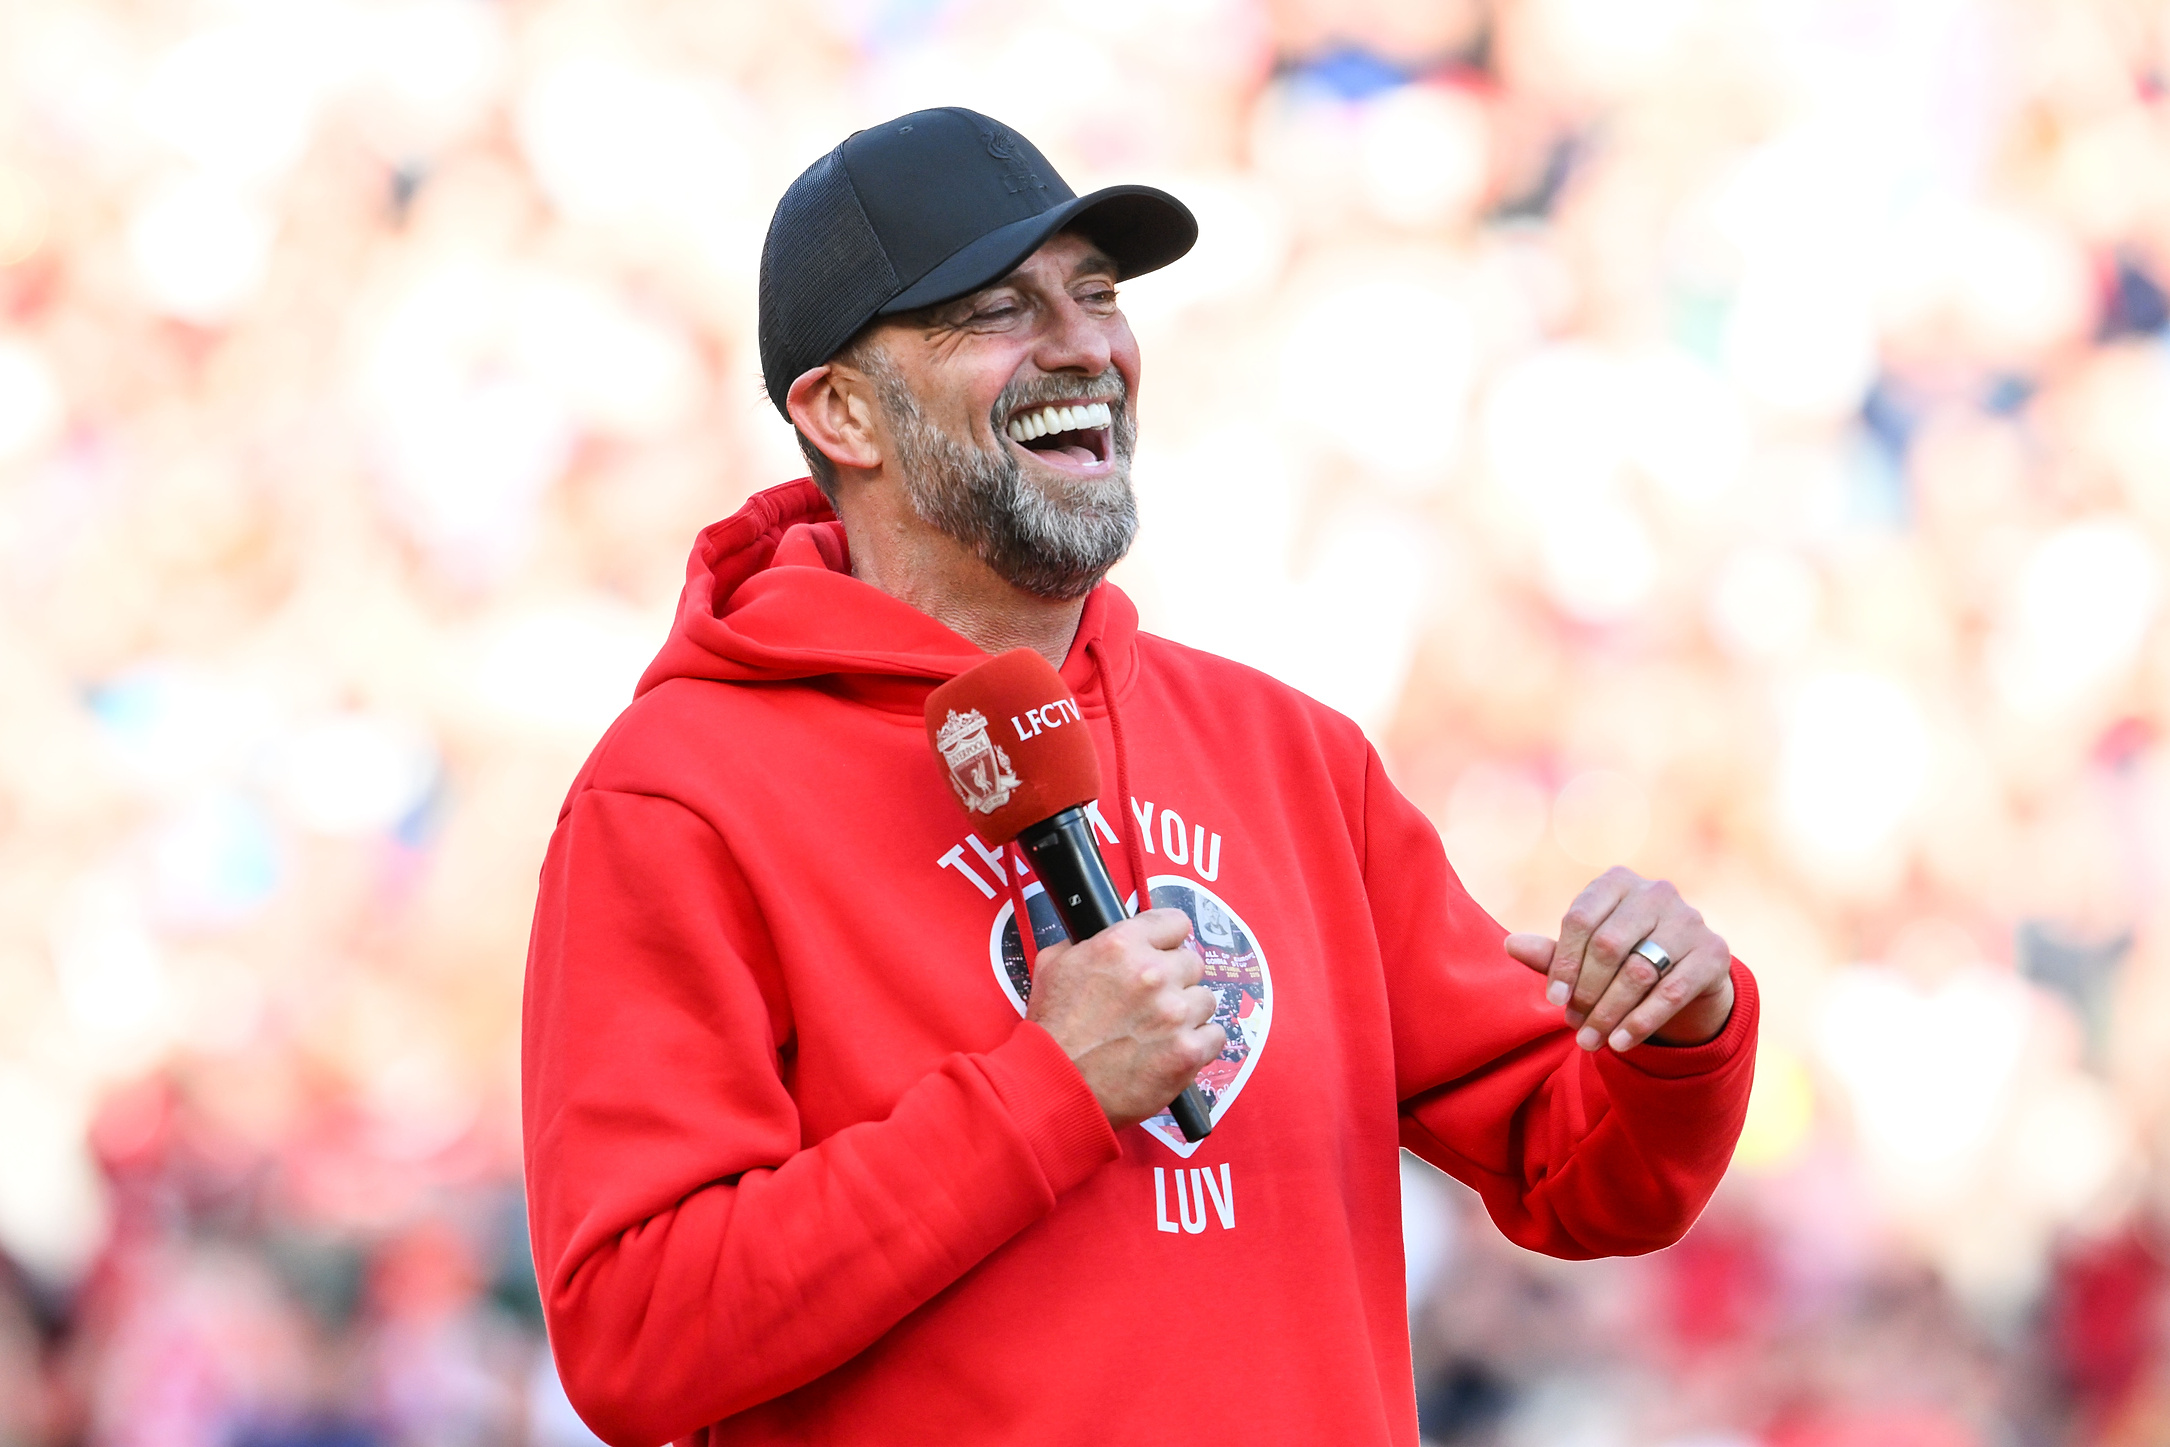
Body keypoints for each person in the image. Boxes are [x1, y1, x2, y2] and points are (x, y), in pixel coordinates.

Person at [521, 107, 1758, 1447]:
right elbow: (637, 1336)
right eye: (995, 310)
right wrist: (1041, 1094)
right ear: (840, 412)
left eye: (1097, 296)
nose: (1084, 347)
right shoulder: (680, 793)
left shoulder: (1292, 756)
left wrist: (1674, 1031)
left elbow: (1585, 1177)